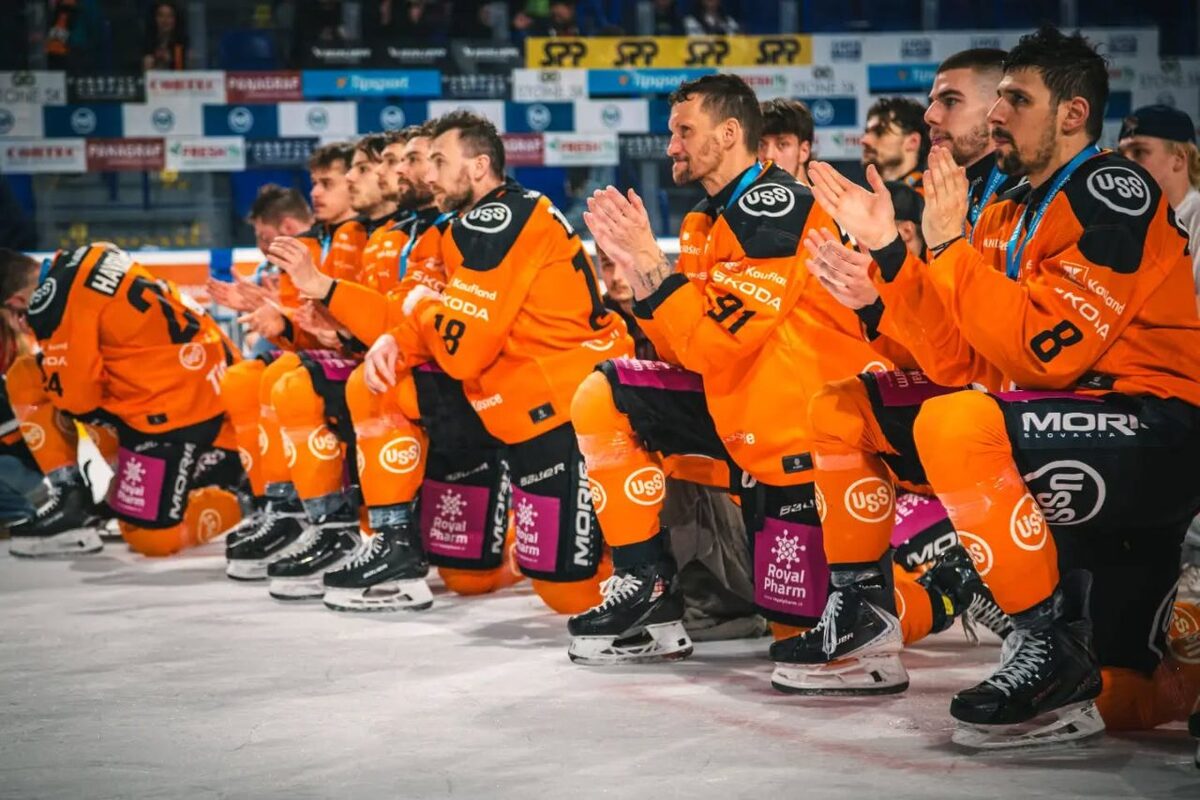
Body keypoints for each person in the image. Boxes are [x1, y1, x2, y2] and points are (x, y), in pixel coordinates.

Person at [795, 27, 1200, 750]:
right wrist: (887, 269)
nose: (998, 113)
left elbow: (1046, 355)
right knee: (843, 406)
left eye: (1016, 98)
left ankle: (1051, 647)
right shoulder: (1008, 206)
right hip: (1060, 420)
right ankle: (866, 618)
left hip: (1155, 429)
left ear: (1072, 113)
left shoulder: (1113, 190)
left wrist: (947, 245)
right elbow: (963, 362)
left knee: (954, 424)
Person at [566, 73, 916, 665]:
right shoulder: (703, 220)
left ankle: (943, 589)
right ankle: (647, 589)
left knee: (802, 632)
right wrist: (643, 278)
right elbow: (684, 350)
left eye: (684, 131)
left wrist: (652, 263)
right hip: (741, 411)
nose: (671, 146)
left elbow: (713, 346)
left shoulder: (772, 205)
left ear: (728, 133)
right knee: (608, 393)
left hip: (807, 429)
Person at [349, 110, 632, 614]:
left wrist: (422, 309)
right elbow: (458, 317)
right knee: (538, 582)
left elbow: (461, 351)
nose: (428, 174)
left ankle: (650, 584)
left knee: (569, 592)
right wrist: (399, 338)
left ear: (479, 166)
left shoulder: (494, 220)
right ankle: (404, 539)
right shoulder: (497, 214)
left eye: (439, 160)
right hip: (531, 405)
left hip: (565, 403)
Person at [2, 245, 244, 558]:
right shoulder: (90, 254)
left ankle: (246, 498)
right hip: (203, 388)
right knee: (33, 375)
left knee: (150, 539)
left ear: (16, 304)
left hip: (186, 416)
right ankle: (75, 497)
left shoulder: (54, 302)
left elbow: (78, 400)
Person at [218, 142, 366, 582]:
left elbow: (362, 317)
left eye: (327, 183)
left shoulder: (366, 236)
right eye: (314, 182)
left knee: (285, 375)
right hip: (339, 355)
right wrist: (278, 318)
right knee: (243, 378)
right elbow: (306, 329)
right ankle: (280, 507)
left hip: (365, 359)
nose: (315, 192)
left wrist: (291, 321)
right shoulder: (314, 241)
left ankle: (325, 520)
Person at [1116, 105, 1200, 300]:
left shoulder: (1195, 212)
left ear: (1179, 159)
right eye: (1121, 155)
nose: (1125, 164)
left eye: (1139, 152)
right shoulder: (1126, 222)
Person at [861, 97, 930, 191]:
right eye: (867, 132)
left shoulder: (931, 195)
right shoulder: (870, 195)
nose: (864, 140)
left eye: (879, 132)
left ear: (913, 142)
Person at [758, 99, 814, 186]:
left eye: (782, 144)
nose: (769, 156)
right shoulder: (743, 193)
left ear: (804, 151)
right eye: (761, 145)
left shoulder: (826, 195)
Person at [142, 1, 187, 71]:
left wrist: (171, 59)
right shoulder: (146, 40)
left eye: (169, 16)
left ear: (175, 20)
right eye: (161, 16)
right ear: (154, 18)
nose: (165, 20)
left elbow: (181, 68)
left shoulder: (181, 41)